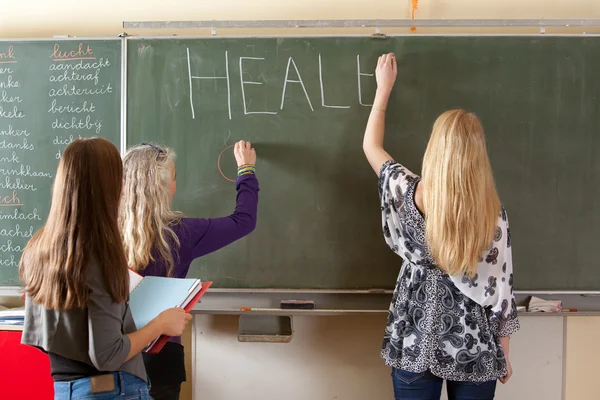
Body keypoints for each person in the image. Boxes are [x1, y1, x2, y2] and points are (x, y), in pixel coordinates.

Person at [362, 53, 520, 400]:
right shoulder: (491, 214)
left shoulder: (407, 191)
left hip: (415, 336)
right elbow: (501, 291)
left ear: (435, 148)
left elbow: (371, 146)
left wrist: (383, 89)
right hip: (474, 345)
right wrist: (504, 351)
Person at [20, 138, 192, 400]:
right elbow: (108, 354)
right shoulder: (98, 256)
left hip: (65, 391)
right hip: (112, 390)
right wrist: (160, 324)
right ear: (112, 186)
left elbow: (37, 335)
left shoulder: (38, 248)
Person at [119, 140, 259, 400]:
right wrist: (246, 170)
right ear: (160, 188)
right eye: (172, 179)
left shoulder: (100, 232)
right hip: (161, 357)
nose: (174, 186)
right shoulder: (181, 233)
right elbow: (244, 221)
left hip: (113, 353)